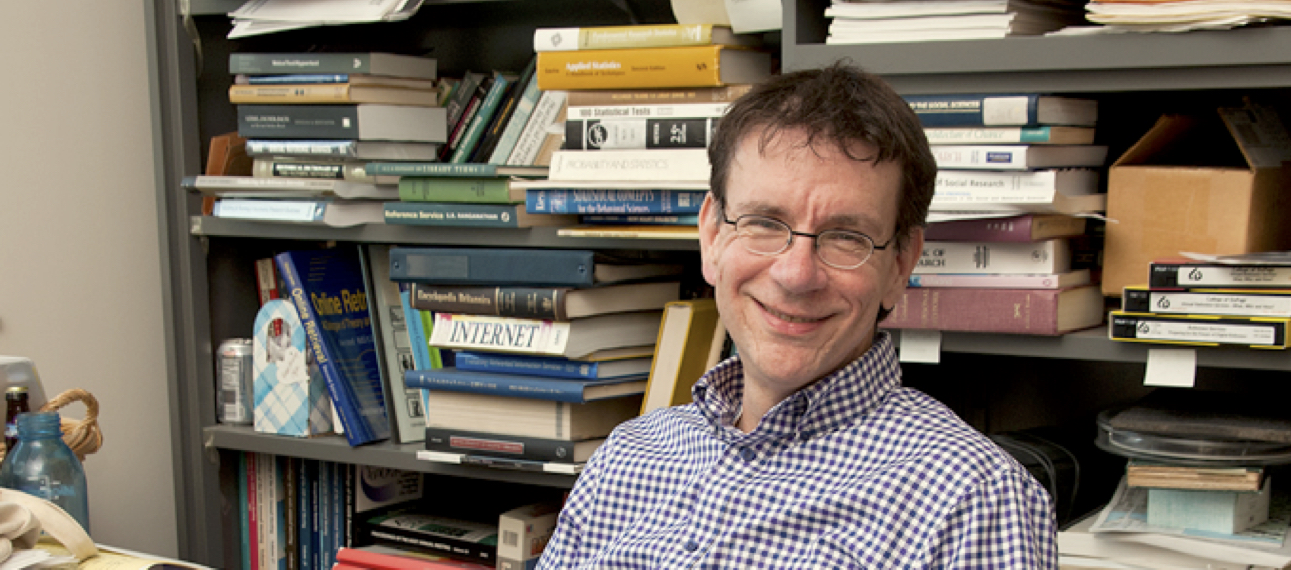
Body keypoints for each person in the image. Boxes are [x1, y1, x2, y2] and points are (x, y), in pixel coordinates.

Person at [536, 62, 1058, 569]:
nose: (795, 274)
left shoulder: (970, 500)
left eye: (846, 237)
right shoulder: (626, 460)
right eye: (764, 222)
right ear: (713, 236)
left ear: (901, 263)